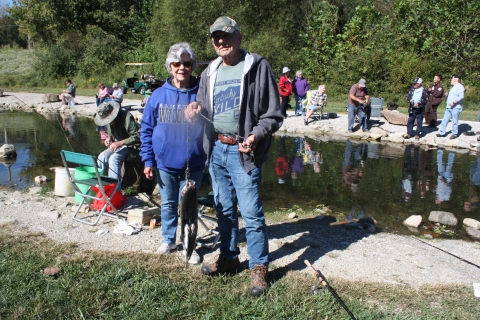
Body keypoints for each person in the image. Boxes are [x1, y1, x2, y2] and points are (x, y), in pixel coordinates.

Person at [184, 16, 283, 297]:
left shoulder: (258, 67)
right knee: (223, 209)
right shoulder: (209, 71)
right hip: (216, 150)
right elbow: (202, 107)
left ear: (239, 37)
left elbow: (273, 114)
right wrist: (194, 110)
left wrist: (255, 136)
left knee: (251, 214)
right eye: (216, 37)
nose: (221, 42)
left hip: (244, 152)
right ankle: (228, 258)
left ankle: (259, 268)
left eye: (226, 36)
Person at [140, 42, 205, 265]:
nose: (182, 68)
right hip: (164, 162)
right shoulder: (157, 95)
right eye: (177, 63)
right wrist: (148, 160)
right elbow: (146, 129)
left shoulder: (202, 93)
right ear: (170, 66)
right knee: (168, 204)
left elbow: (213, 125)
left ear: (192, 66)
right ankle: (169, 240)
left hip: (194, 162)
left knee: (189, 206)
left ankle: (190, 244)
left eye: (187, 63)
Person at [94, 101, 140, 189]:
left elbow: (137, 136)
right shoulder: (108, 121)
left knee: (113, 159)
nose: (108, 121)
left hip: (131, 146)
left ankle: (115, 189)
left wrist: (119, 143)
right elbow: (111, 134)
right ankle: (99, 185)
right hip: (118, 145)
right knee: (101, 157)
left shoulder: (127, 117)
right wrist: (109, 138)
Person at [436, 74, 465, 140]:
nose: (450, 81)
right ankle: (442, 133)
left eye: (451, 79)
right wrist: (447, 95)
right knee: (445, 120)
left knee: (455, 121)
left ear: (454, 79)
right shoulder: (454, 87)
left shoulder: (460, 87)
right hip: (449, 107)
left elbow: (461, 96)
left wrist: (454, 102)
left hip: (456, 107)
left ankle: (454, 134)